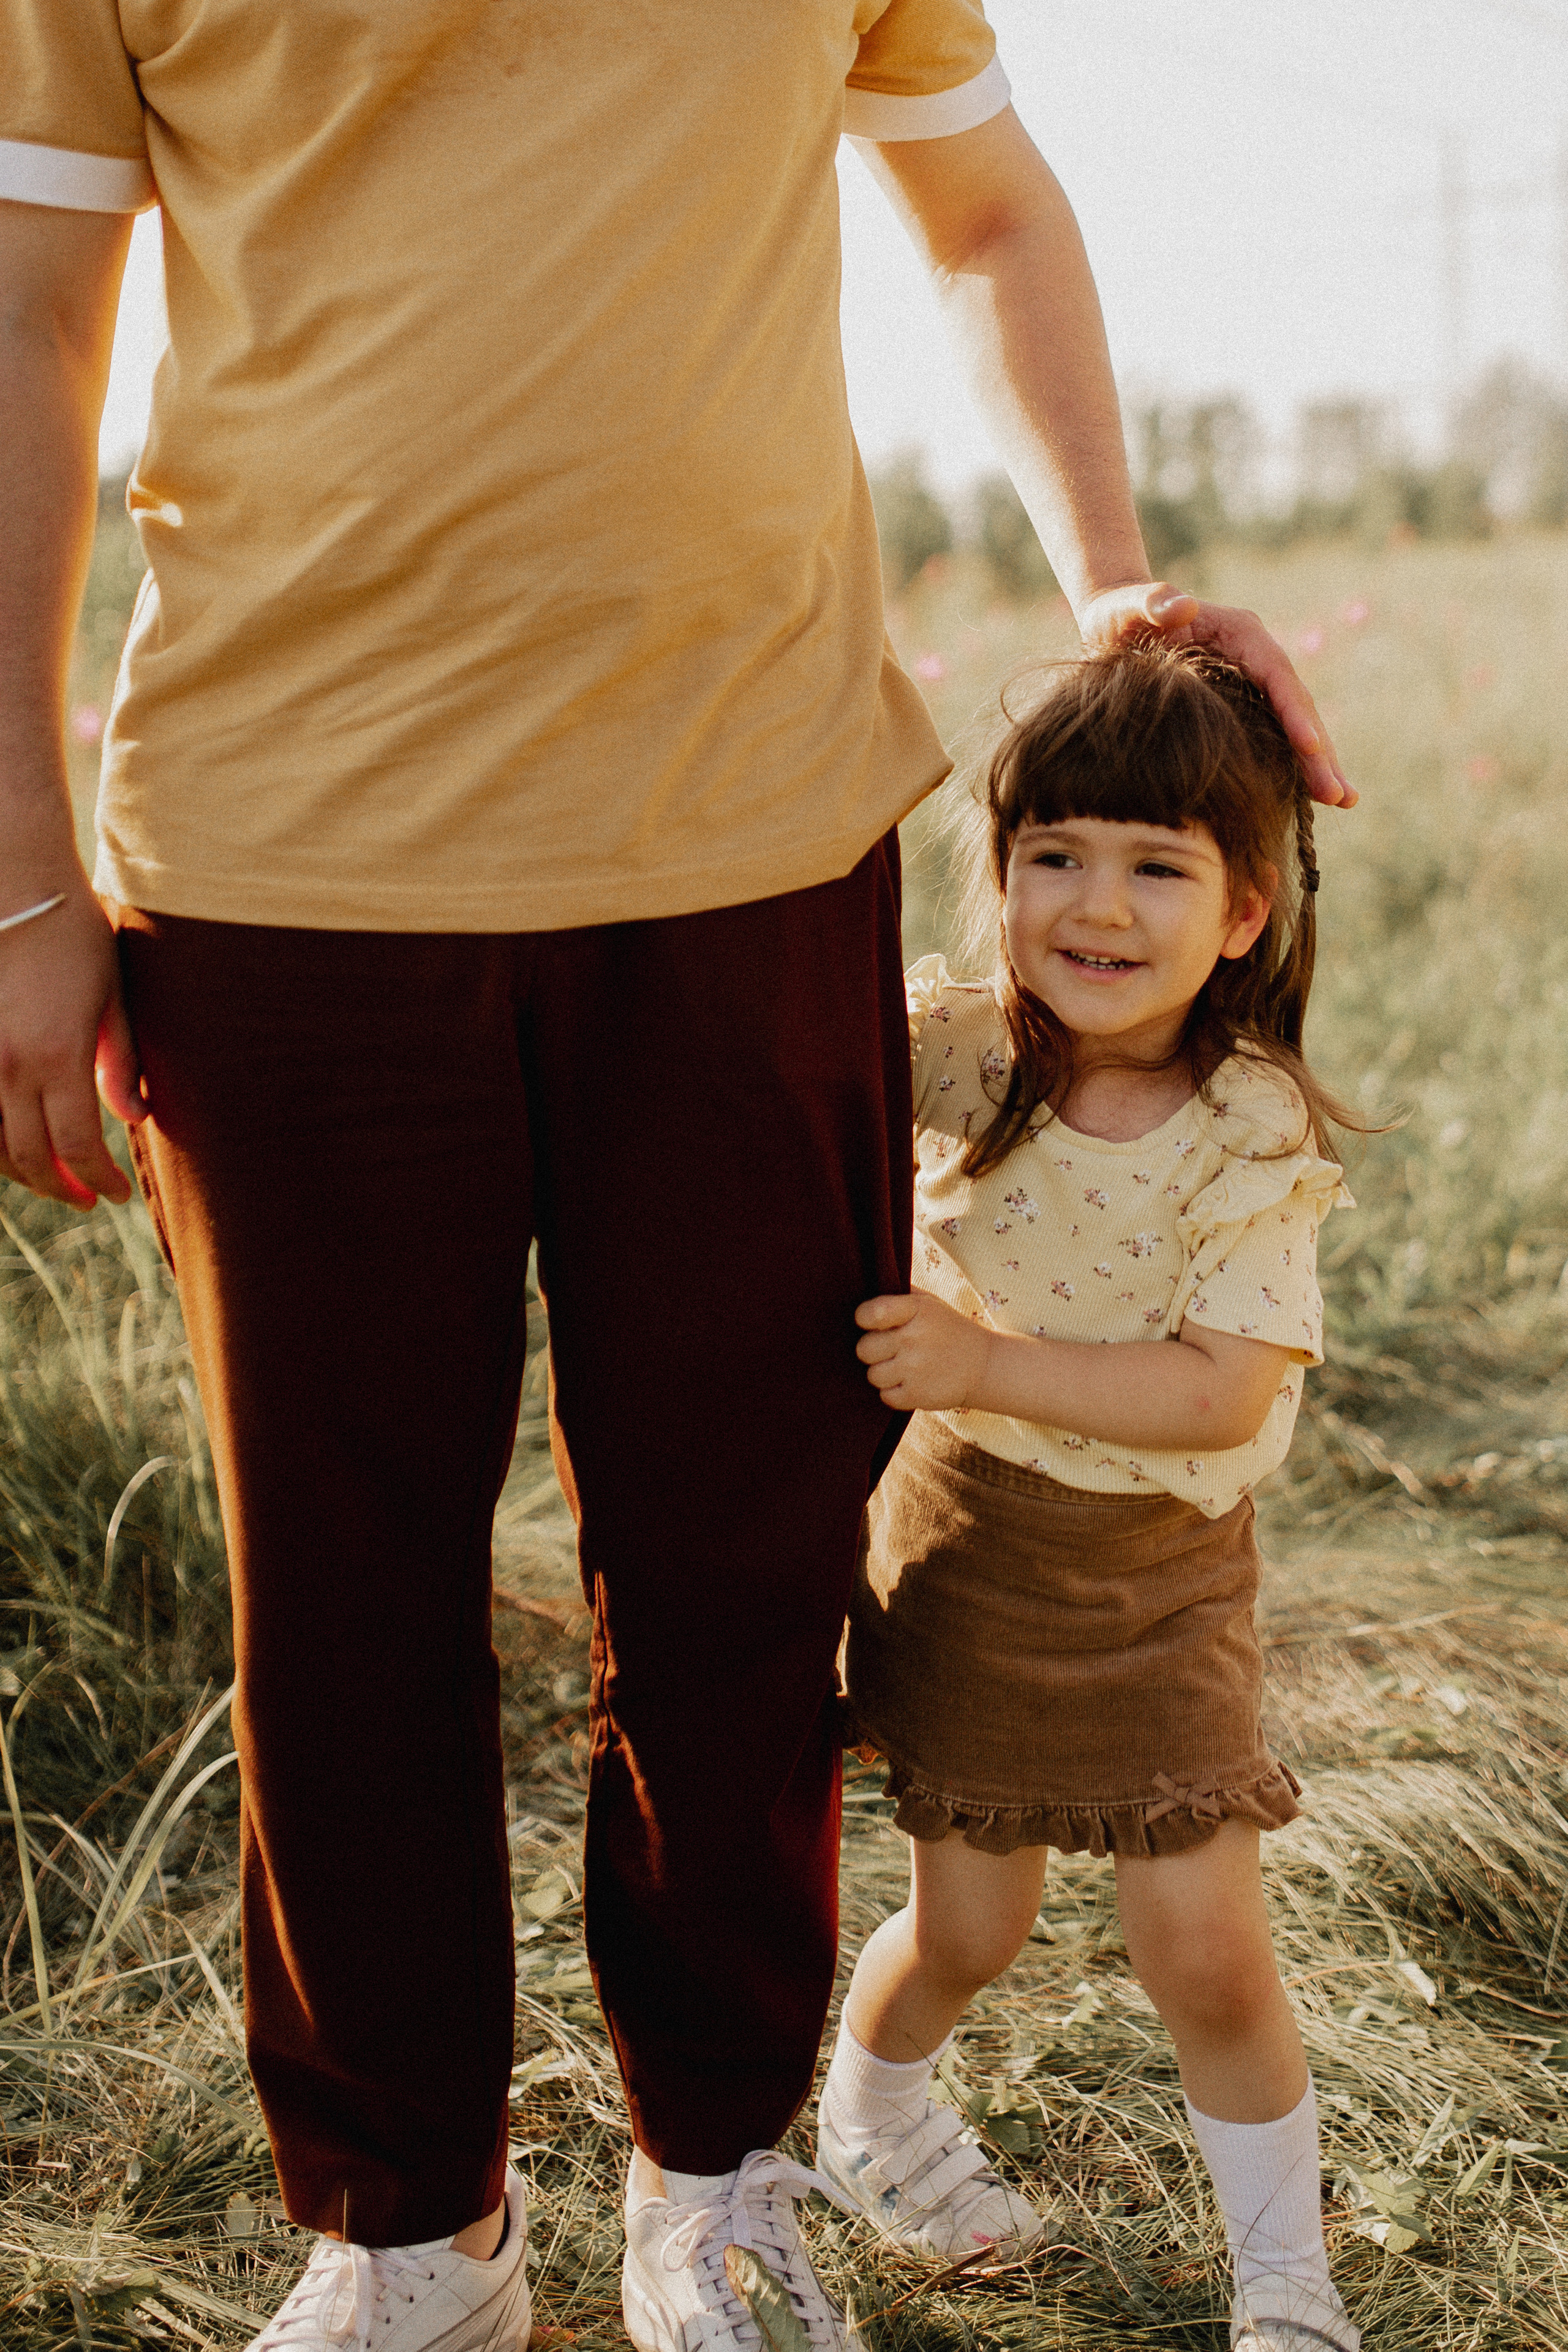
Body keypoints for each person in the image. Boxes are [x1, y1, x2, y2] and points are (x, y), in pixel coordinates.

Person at [0, 7, 1352, 2349]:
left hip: (749, 833)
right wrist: (22, 862)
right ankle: (413, 2224)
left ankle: (713, 2177)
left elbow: (987, 201)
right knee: (340, 1594)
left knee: (737, 1568)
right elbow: (33, 300)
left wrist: (1114, 582)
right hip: (282, 854)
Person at [827, 644, 1360, 2352]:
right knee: (965, 1926)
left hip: (1155, 1579)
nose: (1097, 905)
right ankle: (872, 2120)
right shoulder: (967, 1048)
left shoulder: (1250, 1128)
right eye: (1054, 853)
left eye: (1157, 864)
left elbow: (1221, 1387)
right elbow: (779, 1073)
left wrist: (982, 1361)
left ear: (1244, 911)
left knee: (1205, 1945)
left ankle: (1285, 2278)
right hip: (967, 1547)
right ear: (999, 877)